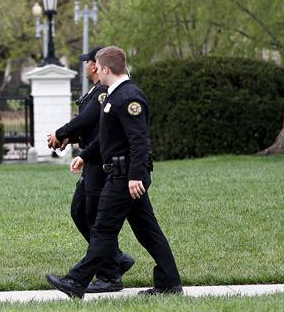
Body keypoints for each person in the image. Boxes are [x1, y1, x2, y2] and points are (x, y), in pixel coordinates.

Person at [46, 46, 183, 298]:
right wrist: (84, 156)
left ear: (106, 68)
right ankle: (169, 284)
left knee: (103, 230)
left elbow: (139, 142)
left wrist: (135, 176)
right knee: (148, 232)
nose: (95, 69)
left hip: (125, 177)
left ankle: (76, 281)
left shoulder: (128, 97)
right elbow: (107, 139)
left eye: (98, 66)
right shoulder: (113, 95)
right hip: (122, 175)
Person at [47, 46, 135, 293]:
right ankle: (116, 258)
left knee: (95, 218)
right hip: (91, 158)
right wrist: (72, 140)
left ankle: (110, 274)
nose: (85, 65)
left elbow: (86, 121)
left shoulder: (103, 93)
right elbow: (92, 129)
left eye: (87, 61)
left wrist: (62, 133)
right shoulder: (96, 91)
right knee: (80, 211)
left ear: (96, 65)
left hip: (99, 163)